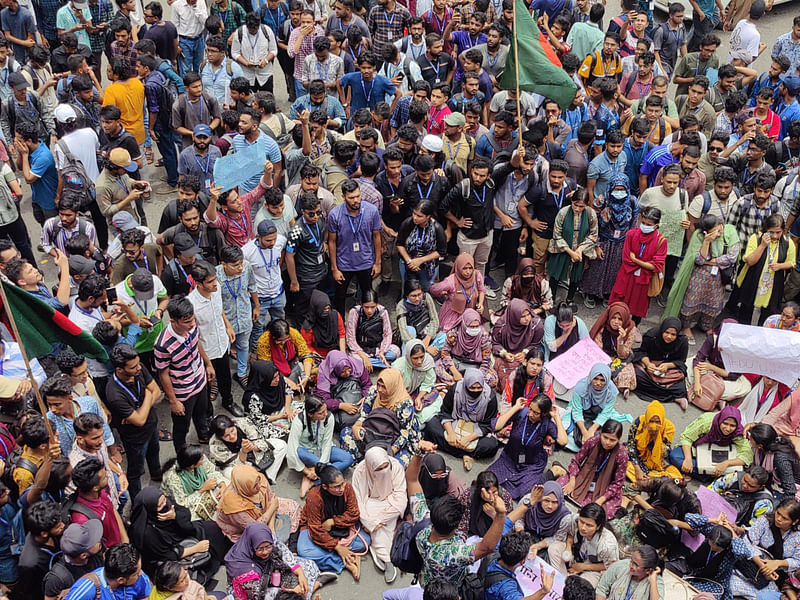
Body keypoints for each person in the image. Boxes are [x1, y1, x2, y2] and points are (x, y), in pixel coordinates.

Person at [129, 487, 229, 585]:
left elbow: (185, 513)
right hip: (169, 554)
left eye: (164, 500)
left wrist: (175, 516)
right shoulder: (147, 533)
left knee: (213, 529)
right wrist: (195, 548)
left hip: (182, 533)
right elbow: (167, 555)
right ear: (150, 509)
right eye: (160, 505)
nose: (165, 504)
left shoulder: (166, 504)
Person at [664, 214, 740, 340]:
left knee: (714, 303)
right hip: (699, 276)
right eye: (715, 232)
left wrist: (710, 261)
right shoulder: (699, 236)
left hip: (718, 277)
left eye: (720, 229)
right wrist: (707, 241)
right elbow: (699, 260)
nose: (719, 234)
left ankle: (706, 326)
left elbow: (732, 257)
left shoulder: (730, 232)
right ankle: (686, 326)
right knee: (691, 300)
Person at [154, 295, 214, 449]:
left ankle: (203, 436)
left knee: (202, 414)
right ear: (173, 321)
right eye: (187, 322)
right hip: (183, 391)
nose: (192, 324)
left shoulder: (192, 325)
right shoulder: (162, 344)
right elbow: (163, 374)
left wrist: (207, 364)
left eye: (192, 319)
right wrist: (174, 401)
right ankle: (182, 453)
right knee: (182, 426)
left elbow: (196, 343)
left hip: (200, 380)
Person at [297, 463, 370, 580]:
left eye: (342, 483)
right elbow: (315, 528)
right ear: (325, 487)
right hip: (316, 529)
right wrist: (337, 547)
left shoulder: (347, 488)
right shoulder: (313, 497)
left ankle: (333, 558)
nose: (342, 488)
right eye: (336, 487)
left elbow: (354, 514)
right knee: (304, 552)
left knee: (365, 541)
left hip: (339, 527)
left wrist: (333, 522)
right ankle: (346, 562)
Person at [490, 393, 566, 501]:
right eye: (530, 409)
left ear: (543, 414)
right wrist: (515, 407)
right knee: (489, 482)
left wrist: (556, 417)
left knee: (527, 494)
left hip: (531, 463)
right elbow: (496, 426)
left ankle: (553, 472)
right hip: (510, 458)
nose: (530, 414)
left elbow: (562, 441)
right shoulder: (522, 413)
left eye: (536, 413)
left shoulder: (546, 423)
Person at [340, 368, 421, 467]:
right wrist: (356, 426)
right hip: (372, 432)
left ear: (393, 386)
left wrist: (389, 453)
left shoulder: (404, 404)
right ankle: (363, 463)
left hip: (393, 439)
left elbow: (404, 434)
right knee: (346, 434)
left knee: (397, 465)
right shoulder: (374, 391)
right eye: (379, 385)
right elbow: (365, 414)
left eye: (384, 387)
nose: (380, 389)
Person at [424, 368, 499, 470]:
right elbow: (445, 412)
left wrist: (468, 439)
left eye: (479, 388)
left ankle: (453, 449)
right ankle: (467, 453)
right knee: (431, 424)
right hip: (456, 421)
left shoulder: (490, 397)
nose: (476, 391)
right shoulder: (456, 390)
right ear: (466, 385)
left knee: (492, 445)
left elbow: (487, 424)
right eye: (472, 388)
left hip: (476, 429)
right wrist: (451, 433)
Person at [351, 446, 406, 583]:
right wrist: (370, 522)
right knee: (377, 527)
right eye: (379, 469)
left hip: (391, 501)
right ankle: (387, 559)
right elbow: (358, 501)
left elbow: (400, 497)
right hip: (371, 502)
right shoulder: (360, 471)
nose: (384, 471)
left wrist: (379, 520)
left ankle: (380, 553)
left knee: (384, 526)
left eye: (385, 467)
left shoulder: (396, 466)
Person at [224, 523, 320, 600]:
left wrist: (300, 573)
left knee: (308, 565)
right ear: (251, 547)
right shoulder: (241, 567)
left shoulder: (268, 538)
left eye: (268, 547)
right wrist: (291, 592)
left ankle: (307, 590)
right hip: (253, 592)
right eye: (260, 549)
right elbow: (259, 594)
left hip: (268, 570)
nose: (265, 552)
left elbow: (284, 551)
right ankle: (313, 587)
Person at [734, 214, 796, 326]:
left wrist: (780, 266)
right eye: (771, 232)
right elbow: (750, 261)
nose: (775, 236)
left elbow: (791, 262)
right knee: (746, 308)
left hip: (773, 283)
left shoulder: (787, 242)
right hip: (753, 279)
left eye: (778, 232)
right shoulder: (756, 238)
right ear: (766, 229)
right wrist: (762, 246)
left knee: (768, 312)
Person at [608, 206, 666, 324]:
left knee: (638, 305)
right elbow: (626, 259)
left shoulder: (661, 241)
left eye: (649, 225)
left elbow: (656, 266)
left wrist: (636, 261)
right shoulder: (631, 234)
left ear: (656, 225)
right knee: (618, 302)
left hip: (643, 280)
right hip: (626, 276)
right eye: (643, 222)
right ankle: (614, 324)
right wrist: (645, 264)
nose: (645, 226)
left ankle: (633, 328)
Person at [287, 396, 354, 498]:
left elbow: (327, 443)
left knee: (347, 459)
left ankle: (314, 481)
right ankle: (313, 472)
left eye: (325, 410)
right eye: (320, 413)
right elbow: (292, 450)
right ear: (310, 414)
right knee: (299, 451)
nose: (325, 414)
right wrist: (306, 471)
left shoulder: (329, 417)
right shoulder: (299, 421)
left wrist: (321, 465)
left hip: (322, 450)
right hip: (307, 452)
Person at [215, 463, 301, 543]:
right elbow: (255, 528)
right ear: (245, 487)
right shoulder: (233, 506)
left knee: (293, 506)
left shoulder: (258, 478)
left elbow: (272, 500)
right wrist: (272, 508)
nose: (259, 486)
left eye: (258, 482)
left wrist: (271, 528)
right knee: (263, 542)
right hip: (245, 529)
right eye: (254, 486)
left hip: (264, 514)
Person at [547, 502, 620, 585]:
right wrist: (568, 547)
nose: (583, 527)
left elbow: (610, 566)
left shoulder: (607, 545)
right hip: (576, 555)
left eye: (589, 525)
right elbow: (570, 534)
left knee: (584, 584)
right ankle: (561, 581)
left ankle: (571, 586)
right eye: (582, 522)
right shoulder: (575, 520)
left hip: (593, 568)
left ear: (598, 526)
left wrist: (583, 567)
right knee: (554, 548)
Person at [669, 406, 753, 477]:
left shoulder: (738, 432)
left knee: (738, 472)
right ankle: (710, 475)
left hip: (722, 456)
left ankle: (703, 473)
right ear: (720, 420)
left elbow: (747, 455)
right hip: (700, 450)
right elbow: (687, 437)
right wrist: (688, 459)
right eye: (725, 423)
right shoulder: (706, 421)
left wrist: (726, 463)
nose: (728, 429)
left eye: (732, 426)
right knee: (675, 456)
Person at [547, 188, 598, 304]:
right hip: (562, 248)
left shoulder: (591, 214)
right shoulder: (563, 213)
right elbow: (557, 234)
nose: (577, 209)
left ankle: (570, 299)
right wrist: (570, 252)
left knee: (576, 276)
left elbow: (593, 234)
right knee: (555, 274)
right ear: (572, 201)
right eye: (575, 205)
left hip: (580, 249)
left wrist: (580, 249)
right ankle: (551, 297)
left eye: (581, 206)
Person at [687, 320, 752, 410]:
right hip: (706, 369)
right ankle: (714, 397)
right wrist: (697, 383)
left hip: (724, 378)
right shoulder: (713, 338)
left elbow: (733, 375)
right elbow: (698, 359)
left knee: (745, 387)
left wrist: (712, 367)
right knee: (688, 363)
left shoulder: (740, 349)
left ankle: (708, 393)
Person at [209, 414, 288, 485]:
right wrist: (243, 452)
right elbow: (236, 464)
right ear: (220, 437)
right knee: (230, 474)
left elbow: (260, 440)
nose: (232, 436)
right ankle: (253, 482)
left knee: (281, 445)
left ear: (234, 425)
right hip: (237, 463)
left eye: (232, 431)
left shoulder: (243, 422)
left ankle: (268, 477)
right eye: (226, 436)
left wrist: (253, 447)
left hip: (253, 452)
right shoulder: (215, 445)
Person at [632, 317, 689, 409]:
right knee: (636, 374)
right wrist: (648, 364)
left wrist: (667, 365)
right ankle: (673, 396)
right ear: (662, 330)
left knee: (680, 384)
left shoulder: (682, 341)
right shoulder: (651, 336)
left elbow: (681, 361)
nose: (669, 337)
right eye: (666, 332)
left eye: (673, 334)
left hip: (668, 370)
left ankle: (675, 396)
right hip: (650, 367)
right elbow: (642, 352)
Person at [160, 444, 228, 521]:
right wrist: (202, 489)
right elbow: (183, 503)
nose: (203, 460)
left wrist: (222, 484)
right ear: (192, 466)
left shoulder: (200, 457)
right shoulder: (173, 478)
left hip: (202, 489)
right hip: (180, 500)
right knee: (193, 519)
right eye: (201, 460)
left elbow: (211, 472)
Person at [565, 364, 626, 449]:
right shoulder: (580, 387)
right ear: (591, 377)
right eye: (595, 379)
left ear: (607, 380)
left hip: (598, 415)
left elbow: (605, 414)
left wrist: (591, 430)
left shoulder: (612, 391)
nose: (598, 383)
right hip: (583, 414)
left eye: (602, 380)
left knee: (600, 439)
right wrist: (585, 432)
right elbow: (577, 412)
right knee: (578, 439)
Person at [490, 299, 545, 392]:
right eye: (523, 316)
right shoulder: (501, 325)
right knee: (506, 384)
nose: (527, 318)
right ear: (514, 316)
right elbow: (494, 343)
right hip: (506, 356)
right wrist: (504, 353)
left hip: (525, 357)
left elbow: (536, 344)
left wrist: (525, 353)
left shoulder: (536, 325)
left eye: (528, 314)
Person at [60, 544, 151, 600]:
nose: (141, 574)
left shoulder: (140, 580)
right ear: (121, 580)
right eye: (136, 573)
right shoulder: (88, 589)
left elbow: (143, 597)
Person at [434, 309, 497, 387]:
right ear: (464, 324)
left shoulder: (484, 336)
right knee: (437, 368)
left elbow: (486, 360)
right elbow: (445, 353)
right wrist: (455, 372)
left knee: (493, 379)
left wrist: (477, 377)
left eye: (477, 326)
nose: (474, 329)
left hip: (475, 366)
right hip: (456, 362)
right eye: (471, 326)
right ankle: (465, 385)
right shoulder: (454, 333)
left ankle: (459, 384)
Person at [314, 350, 372, 430]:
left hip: (357, 398)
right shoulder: (325, 373)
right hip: (338, 402)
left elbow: (367, 384)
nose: (348, 373)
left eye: (349, 369)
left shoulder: (357, 365)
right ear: (334, 369)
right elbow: (323, 400)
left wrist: (365, 396)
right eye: (343, 372)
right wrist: (340, 405)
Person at [626, 400, 682, 482]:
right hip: (638, 455)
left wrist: (656, 437)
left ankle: (649, 480)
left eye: (657, 422)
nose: (654, 425)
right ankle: (653, 481)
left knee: (674, 475)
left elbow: (664, 453)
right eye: (651, 421)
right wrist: (637, 469)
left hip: (657, 461)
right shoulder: (639, 422)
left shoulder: (669, 428)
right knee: (623, 462)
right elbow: (631, 445)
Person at [589, 303, 638, 395]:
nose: (616, 322)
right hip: (603, 355)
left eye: (620, 319)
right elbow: (597, 348)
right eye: (613, 318)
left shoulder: (630, 329)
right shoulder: (603, 326)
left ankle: (620, 387)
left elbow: (623, 355)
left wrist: (621, 340)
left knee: (626, 372)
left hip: (620, 356)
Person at [429, 253, 486, 333]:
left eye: (470, 268)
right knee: (449, 335)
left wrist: (480, 304)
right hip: (454, 313)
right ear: (458, 267)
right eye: (464, 268)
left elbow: (482, 290)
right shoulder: (450, 281)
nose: (468, 272)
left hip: (471, 311)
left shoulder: (477, 275)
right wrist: (442, 293)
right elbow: (434, 289)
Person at [256, 319, 314, 394]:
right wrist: (287, 381)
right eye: (280, 341)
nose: (283, 343)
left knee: (311, 371)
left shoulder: (293, 333)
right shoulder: (264, 342)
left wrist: (306, 377)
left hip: (291, 362)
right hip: (275, 369)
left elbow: (306, 354)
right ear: (273, 337)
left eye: (286, 339)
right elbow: (268, 369)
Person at [345, 290, 399, 370]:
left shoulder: (382, 312)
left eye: (373, 307)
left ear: (377, 305)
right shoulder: (355, 312)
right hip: (360, 349)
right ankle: (382, 364)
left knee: (395, 352)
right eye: (366, 307)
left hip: (377, 347)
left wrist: (382, 352)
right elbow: (350, 338)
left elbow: (387, 334)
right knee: (357, 360)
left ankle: (373, 363)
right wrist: (363, 356)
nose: (369, 310)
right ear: (361, 304)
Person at [747, 424, 800, 502]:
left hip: (785, 489)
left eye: (751, 438)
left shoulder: (780, 459)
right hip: (773, 483)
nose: (749, 438)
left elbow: (790, 491)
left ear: (760, 446)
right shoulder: (766, 446)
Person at [595, 546, 664, 600]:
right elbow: (602, 588)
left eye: (636, 565)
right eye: (631, 560)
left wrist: (652, 581)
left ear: (648, 571)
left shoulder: (656, 581)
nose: (630, 565)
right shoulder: (621, 566)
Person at [393, 342, 438, 424]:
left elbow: (428, 383)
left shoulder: (427, 362)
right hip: (401, 395)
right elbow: (395, 388)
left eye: (422, 357)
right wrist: (408, 400)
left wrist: (419, 398)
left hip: (416, 391)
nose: (420, 361)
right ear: (408, 357)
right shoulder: (398, 367)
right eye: (415, 358)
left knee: (435, 392)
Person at [395, 278, 442, 352]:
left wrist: (428, 337)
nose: (417, 298)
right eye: (413, 296)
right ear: (407, 295)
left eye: (419, 294)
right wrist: (422, 346)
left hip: (426, 331)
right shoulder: (401, 306)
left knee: (444, 337)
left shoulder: (426, 297)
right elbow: (404, 334)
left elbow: (435, 319)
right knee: (410, 330)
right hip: (412, 338)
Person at [301, 290, 345, 357]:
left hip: (335, 351)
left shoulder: (335, 315)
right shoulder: (308, 326)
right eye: (324, 309)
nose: (327, 311)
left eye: (328, 308)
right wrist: (319, 357)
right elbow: (307, 346)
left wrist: (343, 354)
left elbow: (341, 335)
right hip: (318, 355)